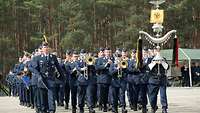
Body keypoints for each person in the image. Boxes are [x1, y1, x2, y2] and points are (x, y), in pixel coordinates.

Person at [37, 42, 64, 113]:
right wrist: (38, 75)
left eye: (47, 47)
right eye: (44, 47)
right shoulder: (38, 58)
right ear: (42, 49)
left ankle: (52, 110)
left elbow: (58, 68)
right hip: (42, 81)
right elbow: (35, 68)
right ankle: (44, 110)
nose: (46, 48)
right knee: (43, 98)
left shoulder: (53, 57)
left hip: (51, 80)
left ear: (49, 48)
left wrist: (62, 77)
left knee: (51, 96)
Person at [147, 46, 169, 113]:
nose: (157, 52)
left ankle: (164, 108)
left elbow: (167, 67)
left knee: (163, 95)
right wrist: (154, 62)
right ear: (154, 52)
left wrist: (162, 62)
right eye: (156, 51)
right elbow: (148, 68)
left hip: (162, 80)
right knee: (152, 96)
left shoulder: (163, 59)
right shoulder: (150, 59)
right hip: (153, 80)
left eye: (158, 51)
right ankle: (153, 107)